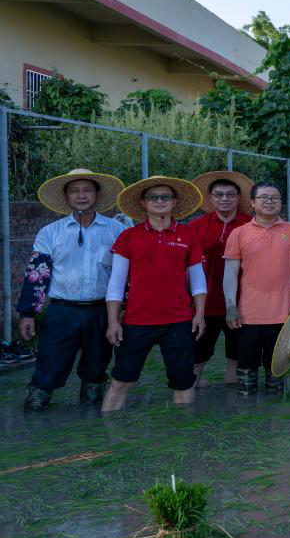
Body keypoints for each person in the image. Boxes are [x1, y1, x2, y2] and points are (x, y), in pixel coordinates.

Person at [19, 169, 126, 411]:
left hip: (102, 311)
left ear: (97, 195)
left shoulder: (116, 231)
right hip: (61, 312)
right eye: (74, 191)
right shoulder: (50, 232)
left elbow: (125, 275)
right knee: (49, 365)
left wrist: (122, 311)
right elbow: (37, 275)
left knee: (96, 369)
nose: (81, 196)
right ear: (66, 197)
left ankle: (92, 423)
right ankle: (35, 415)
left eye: (87, 190)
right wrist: (27, 313)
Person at [102, 176, 208, 412]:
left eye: (165, 197)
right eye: (153, 197)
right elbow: (116, 283)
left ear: (174, 201)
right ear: (143, 202)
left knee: (183, 382)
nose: (159, 201)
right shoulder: (128, 237)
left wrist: (199, 314)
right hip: (137, 320)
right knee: (121, 381)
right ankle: (109, 434)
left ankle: (181, 439)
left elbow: (198, 280)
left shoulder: (188, 235)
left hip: (179, 320)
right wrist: (112, 321)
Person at [223, 181, 290, 395]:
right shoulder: (239, 233)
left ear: (281, 202)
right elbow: (230, 273)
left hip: (282, 315)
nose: (269, 201)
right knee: (246, 367)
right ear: (252, 203)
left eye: (275, 198)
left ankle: (274, 411)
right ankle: (247, 411)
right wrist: (231, 305)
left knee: (277, 367)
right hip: (248, 315)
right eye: (263, 197)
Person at [188, 171, 253, 387]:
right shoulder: (195, 227)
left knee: (236, 353)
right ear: (210, 198)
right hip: (205, 301)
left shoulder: (250, 225)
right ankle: (191, 390)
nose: (224, 199)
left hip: (241, 300)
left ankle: (232, 396)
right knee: (199, 352)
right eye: (218, 195)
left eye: (230, 195)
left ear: (238, 198)